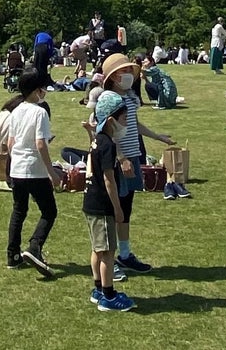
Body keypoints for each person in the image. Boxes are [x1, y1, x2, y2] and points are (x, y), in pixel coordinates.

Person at [100, 52, 174, 276]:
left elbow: (134, 123)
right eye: (123, 71)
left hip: (132, 158)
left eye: (128, 70)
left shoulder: (129, 97)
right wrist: (121, 157)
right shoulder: (109, 100)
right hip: (117, 160)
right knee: (112, 211)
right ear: (112, 77)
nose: (128, 75)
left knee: (125, 209)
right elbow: (107, 133)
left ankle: (124, 254)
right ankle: (108, 260)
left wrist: (157, 136)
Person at [83, 90, 136, 312]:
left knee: (97, 249)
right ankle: (108, 296)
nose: (126, 123)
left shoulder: (98, 140)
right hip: (103, 205)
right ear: (112, 120)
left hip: (90, 203)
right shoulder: (108, 144)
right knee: (108, 252)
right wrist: (117, 208)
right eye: (124, 118)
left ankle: (98, 289)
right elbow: (108, 179)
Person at [6, 70, 62, 274]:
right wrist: (51, 172)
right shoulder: (40, 112)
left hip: (17, 169)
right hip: (34, 170)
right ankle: (35, 246)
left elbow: (10, 143)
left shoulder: (16, 111)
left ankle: (12, 255)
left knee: (19, 211)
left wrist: (16, 161)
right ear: (36, 90)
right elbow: (40, 144)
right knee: (49, 211)